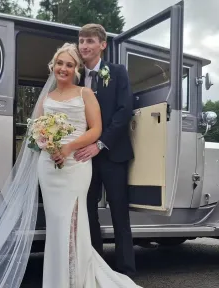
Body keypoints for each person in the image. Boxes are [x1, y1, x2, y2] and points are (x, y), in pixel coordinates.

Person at [0, 43, 142, 288]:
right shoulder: (47, 98)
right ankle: (57, 279)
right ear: (53, 66)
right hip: (49, 167)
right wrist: (47, 145)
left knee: (72, 219)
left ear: (76, 70)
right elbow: (36, 132)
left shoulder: (85, 94)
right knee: (56, 223)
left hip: (76, 164)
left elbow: (96, 129)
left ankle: (76, 276)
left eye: (70, 65)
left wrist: (68, 148)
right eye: (60, 63)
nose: (64, 68)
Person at [74, 23, 136, 277]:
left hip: (113, 154)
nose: (84, 46)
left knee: (119, 212)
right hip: (83, 157)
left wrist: (100, 144)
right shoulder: (75, 75)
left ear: (102, 45)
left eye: (90, 41)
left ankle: (125, 269)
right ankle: (95, 269)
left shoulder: (118, 72)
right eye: (81, 41)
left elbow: (124, 112)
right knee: (88, 212)